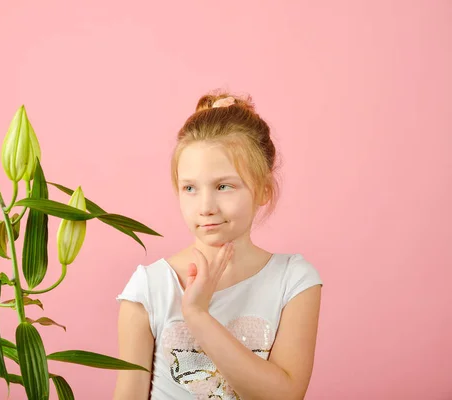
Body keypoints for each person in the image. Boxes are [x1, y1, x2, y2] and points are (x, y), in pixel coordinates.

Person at [113, 91, 323, 400]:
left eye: (224, 186)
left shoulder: (294, 281)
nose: (206, 206)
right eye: (190, 188)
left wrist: (198, 316)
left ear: (264, 190)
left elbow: (285, 395)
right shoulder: (150, 288)